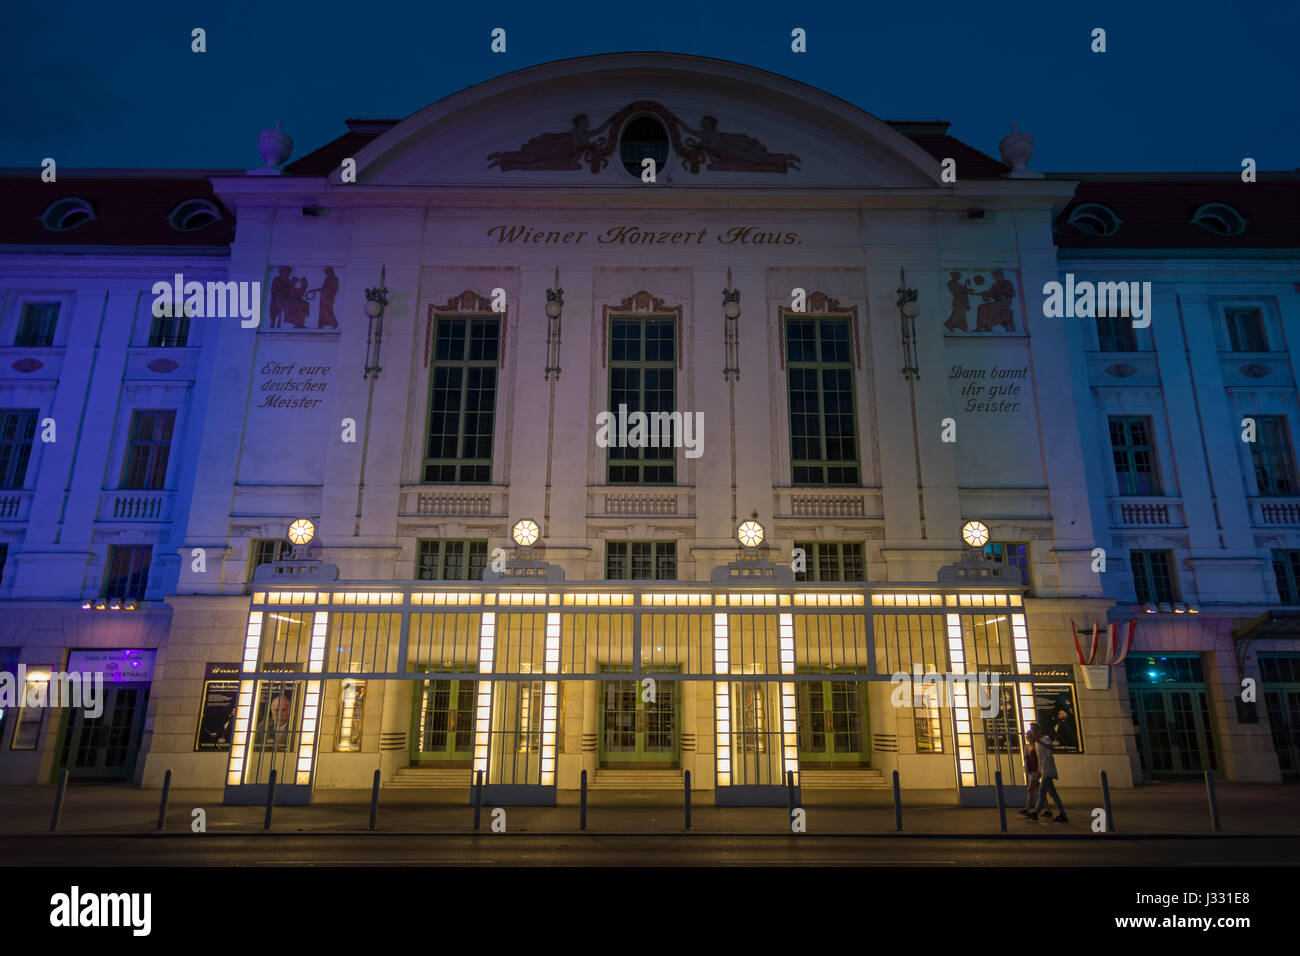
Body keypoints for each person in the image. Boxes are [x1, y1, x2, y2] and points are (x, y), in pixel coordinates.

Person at [1026, 726, 1068, 823]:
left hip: (1048, 770)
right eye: (1032, 731)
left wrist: (1040, 742)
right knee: (1053, 794)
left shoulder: (1045, 739)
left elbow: (1052, 748)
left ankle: (1036, 812)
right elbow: (1040, 758)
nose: (1033, 733)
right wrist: (1039, 770)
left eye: (1035, 730)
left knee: (1041, 791)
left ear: (1039, 730)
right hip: (1044, 770)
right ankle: (1063, 814)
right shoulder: (1037, 743)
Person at [1019, 722, 1040, 815]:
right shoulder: (1026, 746)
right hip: (1030, 770)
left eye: (1028, 735)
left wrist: (1039, 769)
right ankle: (1048, 809)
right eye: (1026, 736)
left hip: (1036, 770)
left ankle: (1027, 809)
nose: (1027, 737)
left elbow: (1039, 758)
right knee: (1039, 790)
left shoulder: (1037, 746)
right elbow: (1026, 759)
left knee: (1030, 789)